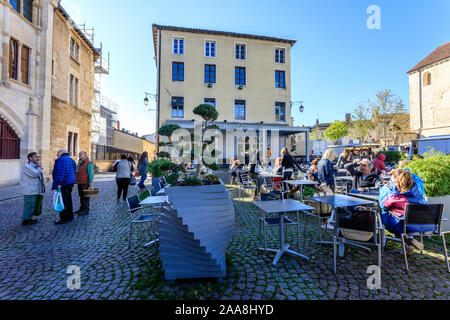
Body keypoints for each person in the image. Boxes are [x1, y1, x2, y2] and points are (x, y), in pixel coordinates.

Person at [379, 169, 429, 255]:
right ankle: (409, 240)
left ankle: (407, 240)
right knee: (405, 218)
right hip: (422, 222)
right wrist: (402, 170)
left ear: (395, 178)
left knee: (385, 215)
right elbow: (415, 178)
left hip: (401, 223)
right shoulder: (417, 186)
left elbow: (383, 205)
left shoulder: (390, 189)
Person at [20, 152, 45, 226]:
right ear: (30, 158)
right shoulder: (26, 166)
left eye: (38, 157)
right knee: (29, 205)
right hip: (29, 190)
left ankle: (29, 218)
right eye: (36, 157)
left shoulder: (35, 166)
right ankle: (25, 220)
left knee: (32, 205)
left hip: (34, 189)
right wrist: (40, 168)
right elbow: (35, 174)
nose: (38, 158)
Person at [52, 149, 77, 225]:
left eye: (57, 154)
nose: (57, 156)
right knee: (68, 199)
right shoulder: (71, 159)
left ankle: (64, 217)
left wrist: (58, 183)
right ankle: (70, 216)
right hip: (70, 182)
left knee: (62, 201)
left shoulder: (61, 160)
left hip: (64, 183)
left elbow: (60, 172)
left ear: (62, 153)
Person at [75, 151, 94, 216]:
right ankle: (81, 208)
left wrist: (90, 182)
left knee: (85, 196)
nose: (79, 155)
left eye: (81, 154)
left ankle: (86, 209)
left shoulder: (88, 163)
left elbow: (90, 173)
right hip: (80, 181)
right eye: (79, 154)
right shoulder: (80, 162)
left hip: (85, 182)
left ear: (85, 155)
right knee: (81, 196)